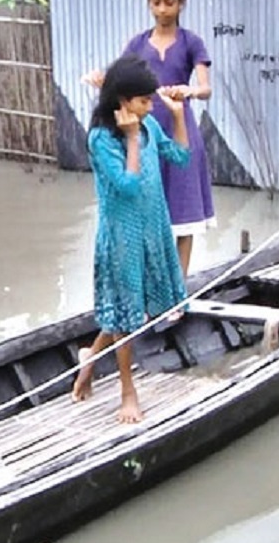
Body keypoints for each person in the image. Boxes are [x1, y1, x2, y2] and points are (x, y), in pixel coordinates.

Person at [72, 54, 190, 423]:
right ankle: (127, 391)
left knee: (138, 307)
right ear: (123, 102)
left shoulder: (150, 123)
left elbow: (182, 156)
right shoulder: (102, 138)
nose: (149, 106)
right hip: (122, 237)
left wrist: (177, 115)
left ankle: (89, 358)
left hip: (153, 228)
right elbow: (126, 184)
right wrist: (133, 139)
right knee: (124, 315)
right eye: (144, 101)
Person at [83, 0, 215, 277]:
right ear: (148, 3)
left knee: (184, 212)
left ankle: (179, 285)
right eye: (156, 3)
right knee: (142, 204)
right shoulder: (138, 43)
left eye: (169, 2)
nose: (163, 10)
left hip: (178, 128)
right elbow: (119, 80)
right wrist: (101, 80)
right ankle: (149, 282)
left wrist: (189, 90)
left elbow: (206, 88)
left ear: (181, 3)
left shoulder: (191, 41)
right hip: (141, 133)